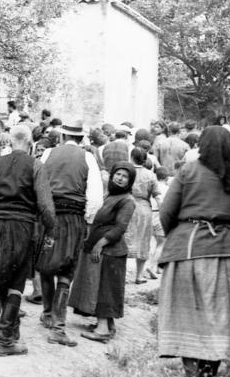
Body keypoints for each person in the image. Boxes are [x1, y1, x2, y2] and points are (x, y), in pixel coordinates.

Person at [157, 126, 230, 377]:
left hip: (188, 251)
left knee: (188, 319)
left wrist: (180, 234)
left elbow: (166, 212)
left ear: (202, 146)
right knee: (220, 320)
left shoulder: (188, 171)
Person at [0, 125, 56, 356]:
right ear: (31, 143)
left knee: (3, 275)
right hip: (23, 227)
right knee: (17, 280)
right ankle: (5, 339)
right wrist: (50, 228)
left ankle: (12, 329)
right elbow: (45, 204)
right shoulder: (36, 165)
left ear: (10, 142)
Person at [38, 119, 103, 347]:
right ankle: (58, 327)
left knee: (46, 264)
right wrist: (88, 221)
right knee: (66, 270)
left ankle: (47, 313)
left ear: (63, 136)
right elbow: (95, 197)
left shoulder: (48, 154)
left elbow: (39, 185)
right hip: (73, 218)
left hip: (49, 217)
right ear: (81, 138)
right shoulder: (88, 158)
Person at [75, 162, 137, 342]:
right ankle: (107, 326)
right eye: (118, 174)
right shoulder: (111, 195)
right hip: (106, 250)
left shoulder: (127, 200)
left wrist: (100, 244)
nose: (120, 178)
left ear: (130, 181)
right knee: (102, 287)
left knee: (105, 288)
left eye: (125, 176)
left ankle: (102, 331)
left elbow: (120, 228)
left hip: (111, 251)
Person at [125, 148, 165, 284]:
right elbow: (158, 197)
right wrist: (164, 213)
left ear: (131, 157)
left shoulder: (126, 171)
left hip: (126, 205)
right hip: (144, 209)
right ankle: (139, 276)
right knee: (143, 240)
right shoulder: (150, 175)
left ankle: (121, 273)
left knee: (124, 238)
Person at [147, 166, 170, 279]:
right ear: (166, 177)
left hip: (150, 214)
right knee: (162, 243)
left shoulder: (152, 186)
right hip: (160, 215)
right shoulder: (167, 188)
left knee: (153, 242)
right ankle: (151, 267)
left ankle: (157, 267)